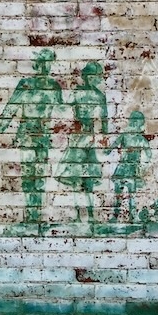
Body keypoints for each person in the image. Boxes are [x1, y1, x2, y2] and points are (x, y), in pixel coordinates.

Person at [0, 49, 63, 224]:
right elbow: (11, 107)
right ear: (36, 64)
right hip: (26, 133)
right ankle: (30, 214)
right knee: (28, 175)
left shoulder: (54, 86)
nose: (45, 67)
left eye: (48, 63)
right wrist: (0, 127)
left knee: (40, 175)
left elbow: (62, 112)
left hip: (44, 135)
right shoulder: (25, 84)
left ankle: (37, 214)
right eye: (42, 62)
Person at [56, 62, 108, 222]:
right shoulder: (78, 93)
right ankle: (80, 216)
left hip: (89, 140)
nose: (95, 79)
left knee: (89, 182)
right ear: (85, 76)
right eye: (92, 76)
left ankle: (90, 216)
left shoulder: (99, 96)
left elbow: (104, 120)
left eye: (97, 77)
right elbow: (63, 109)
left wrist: (105, 137)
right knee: (77, 180)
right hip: (78, 138)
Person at [107, 111, 151, 222]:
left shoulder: (140, 139)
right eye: (134, 121)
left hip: (132, 168)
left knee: (131, 194)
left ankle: (132, 216)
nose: (136, 124)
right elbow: (112, 146)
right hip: (122, 167)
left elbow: (149, 154)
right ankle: (116, 216)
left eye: (138, 122)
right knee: (118, 193)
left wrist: (144, 165)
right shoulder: (125, 136)